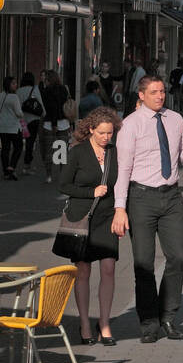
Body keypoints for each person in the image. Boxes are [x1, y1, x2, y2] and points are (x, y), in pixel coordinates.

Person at [112, 76, 183, 343]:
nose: (160, 96)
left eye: (162, 91)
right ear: (141, 95)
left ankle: (168, 315)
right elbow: (123, 170)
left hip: (171, 196)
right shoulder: (130, 125)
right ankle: (149, 322)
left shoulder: (175, 120)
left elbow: (181, 158)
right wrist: (120, 208)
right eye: (153, 92)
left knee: (178, 256)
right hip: (141, 197)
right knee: (143, 263)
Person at [60, 106, 122, 345]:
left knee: (108, 268)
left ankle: (104, 323)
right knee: (83, 270)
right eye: (103, 133)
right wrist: (90, 192)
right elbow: (64, 185)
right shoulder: (78, 152)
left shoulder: (116, 152)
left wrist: (122, 211)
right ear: (91, 130)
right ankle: (85, 322)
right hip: (83, 216)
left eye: (110, 133)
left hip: (107, 218)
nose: (107, 138)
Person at [40, 70, 72, 183]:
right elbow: (65, 106)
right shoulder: (64, 89)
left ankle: (49, 175)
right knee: (62, 150)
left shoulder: (46, 91)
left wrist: (54, 124)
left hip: (49, 124)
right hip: (64, 123)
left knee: (48, 150)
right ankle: (62, 175)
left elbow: (52, 108)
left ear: (48, 79)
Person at [0, 76, 25, 181]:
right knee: (18, 147)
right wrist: (22, 113)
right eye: (13, 83)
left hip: (2, 127)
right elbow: (19, 113)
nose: (15, 85)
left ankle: (5, 172)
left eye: (15, 83)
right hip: (13, 127)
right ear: (8, 84)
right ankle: (11, 167)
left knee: (5, 149)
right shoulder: (14, 97)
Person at [16, 70, 45, 175]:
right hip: (34, 120)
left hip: (22, 121)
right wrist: (43, 114)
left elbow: (17, 106)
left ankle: (17, 163)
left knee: (22, 141)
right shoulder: (35, 89)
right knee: (30, 142)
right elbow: (40, 103)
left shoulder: (18, 91)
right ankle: (27, 164)